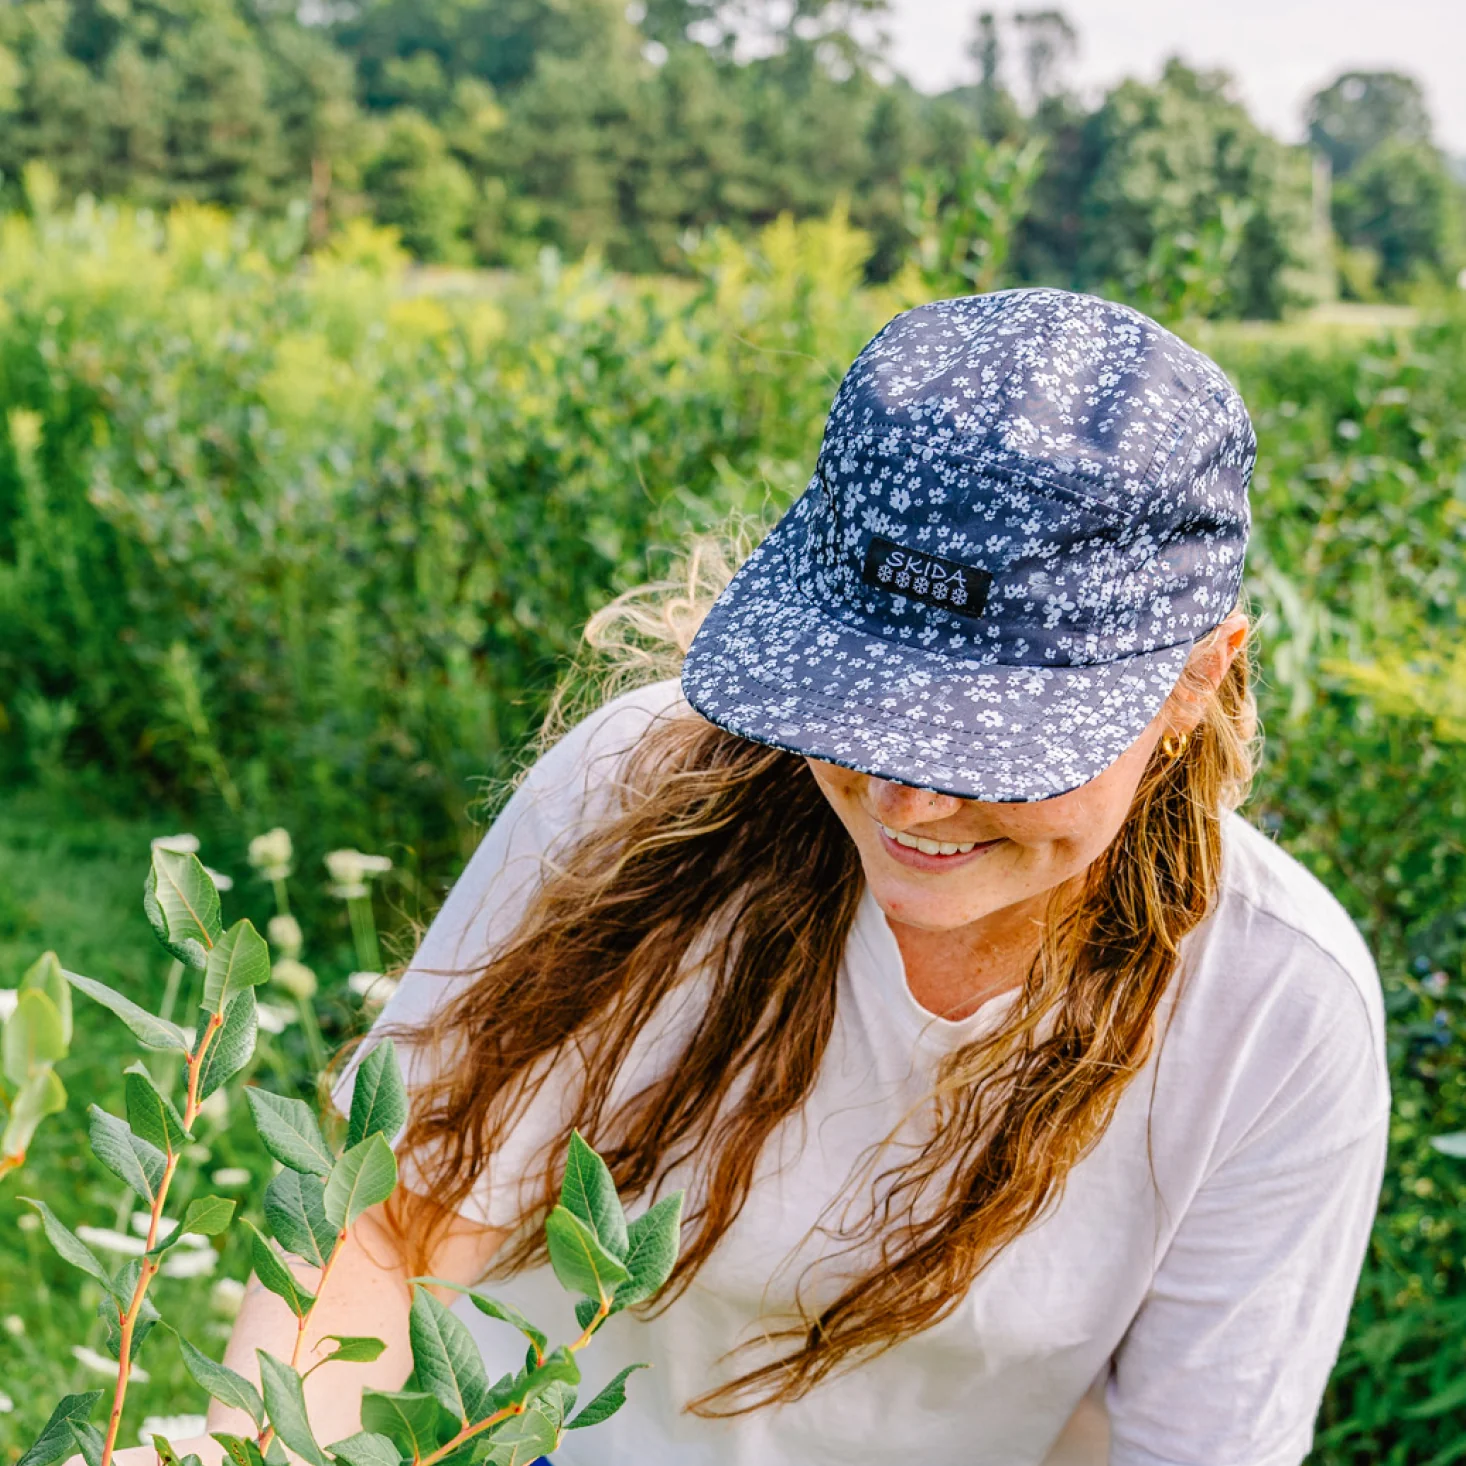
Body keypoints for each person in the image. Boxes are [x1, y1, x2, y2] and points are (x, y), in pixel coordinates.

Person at [185, 289, 1390, 1466]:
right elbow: (390, 1216)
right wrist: (247, 1450)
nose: (906, 801)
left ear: (1194, 677)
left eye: (991, 739)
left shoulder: (1274, 1009)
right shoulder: (636, 791)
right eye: (860, 700)